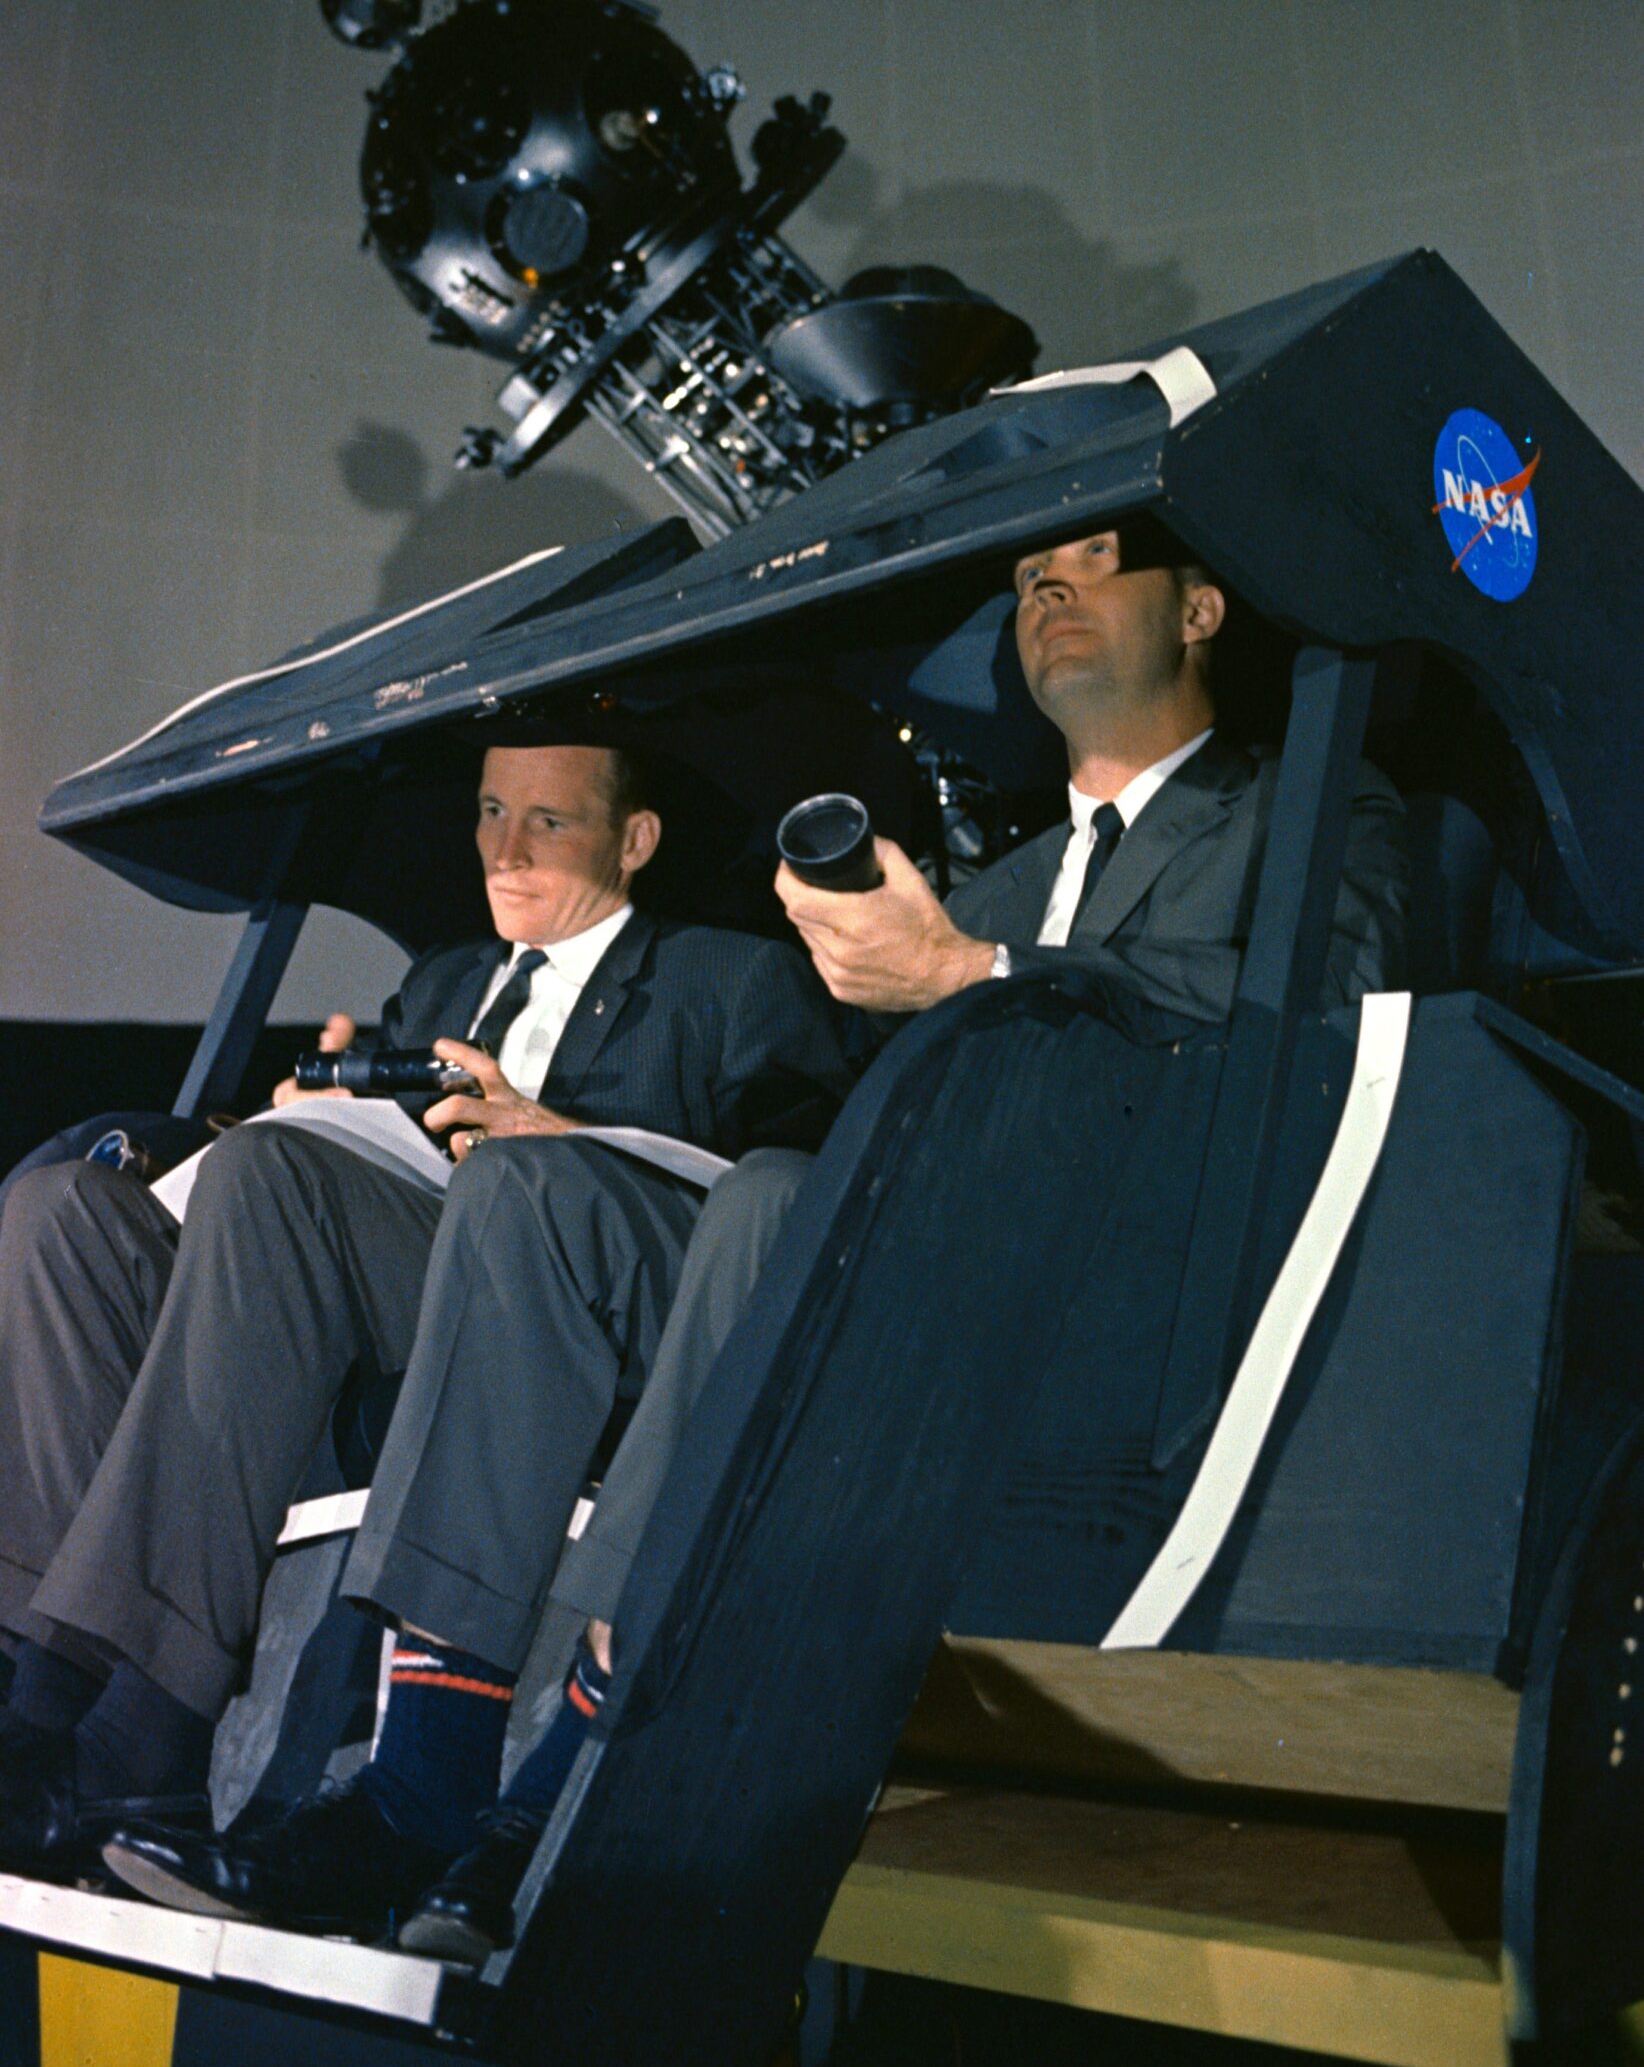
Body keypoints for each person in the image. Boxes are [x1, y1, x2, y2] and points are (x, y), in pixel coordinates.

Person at [106, 515, 1408, 1952]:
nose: (1046, 586)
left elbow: (1323, 1037)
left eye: (1094, 561)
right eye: (1030, 573)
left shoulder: (1321, 821)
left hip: (1110, 1315)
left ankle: (561, 1788)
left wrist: (978, 975)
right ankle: (423, 1784)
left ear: (1205, 608)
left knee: (773, 1201)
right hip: (873, 1281)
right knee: (546, 1191)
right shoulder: (986, 883)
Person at [0, 729, 855, 1870]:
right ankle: (44, 1682)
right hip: (397, 1270)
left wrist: (559, 1136)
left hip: (580, 1307)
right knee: (61, 1211)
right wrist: (299, 1113)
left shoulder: (729, 979)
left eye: (549, 820)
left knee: (370, 1184)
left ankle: (141, 1719)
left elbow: (779, 1195)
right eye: (492, 813)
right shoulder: (445, 980)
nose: (507, 849)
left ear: (635, 840)